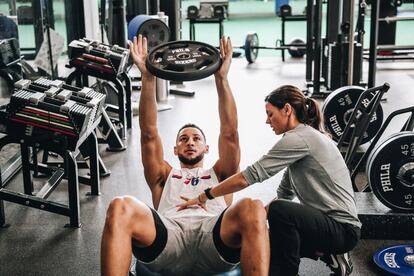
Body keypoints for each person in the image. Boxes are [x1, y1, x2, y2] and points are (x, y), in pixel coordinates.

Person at [100, 35, 269, 276]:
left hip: (213, 237)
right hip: (169, 239)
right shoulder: (163, 175)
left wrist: (221, 78)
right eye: (183, 139)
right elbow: (148, 134)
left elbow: (230, 134)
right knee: (120, 206)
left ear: (207, 148)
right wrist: (148, 77)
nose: (190, 142)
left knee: (253, 206)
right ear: (176, 150)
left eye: (196, 139)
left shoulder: (221, 174)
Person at [177, 85, 362, 276]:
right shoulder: (301, 140)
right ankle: (327, 254)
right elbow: (284, 194)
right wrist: (251, 223)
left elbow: (249, 176)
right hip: (329, 226)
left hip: (343, 230)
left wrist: (205, 195)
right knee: (267, 243)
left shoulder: (299, 138)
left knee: (279, 212)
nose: (267, 120)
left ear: (287, 110)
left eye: (270, 114)